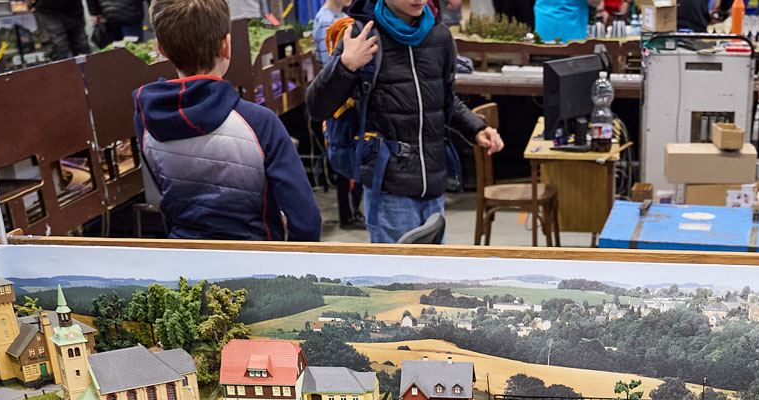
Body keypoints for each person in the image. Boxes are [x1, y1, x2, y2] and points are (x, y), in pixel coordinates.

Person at [307, 0, 504, 243]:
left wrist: (476, 128)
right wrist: (345, 65)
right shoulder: (362, 35)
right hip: (388, 188)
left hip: (433, 185)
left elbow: (444, 99)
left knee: (433, 265)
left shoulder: (438, 35)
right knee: (397, 267)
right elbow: (317, 108)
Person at [134, 0, 322, 240]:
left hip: (184, 255)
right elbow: (306, 220)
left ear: (161, 48)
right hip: (255, 258)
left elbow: (165, 198)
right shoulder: (260, 123)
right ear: (226, 45)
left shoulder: (147, 118)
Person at [311, 0, 366, 229]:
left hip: (350, 101)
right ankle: (347, 215)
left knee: (355, 153)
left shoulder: (342, 16)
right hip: (340, 104)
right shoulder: (325, 21)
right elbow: (332, 66)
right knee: (344, 156)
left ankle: (355, 210)